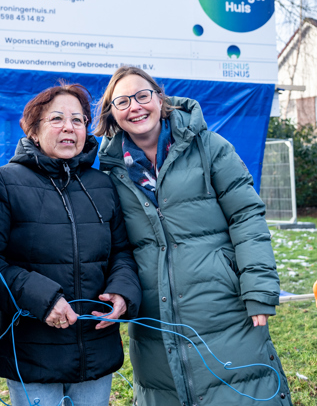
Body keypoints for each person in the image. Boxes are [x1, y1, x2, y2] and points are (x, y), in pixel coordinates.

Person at [94, 66, 292, 406]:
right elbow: (114, 244)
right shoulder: (108, 169)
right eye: (122, 101)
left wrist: (258, 287)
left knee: (242, 390)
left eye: (143, 96)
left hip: (222, 302)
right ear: (112, 113)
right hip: (154, 312)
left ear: (160, 98)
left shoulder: (210, 147)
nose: (135, 107)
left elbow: (246, 217)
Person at [0, 83, 141, 406]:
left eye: (78, 120)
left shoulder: (102, 185)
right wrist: (43, 300)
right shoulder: (4, 182)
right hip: (32, 351)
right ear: (34, 132)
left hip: (96, 348)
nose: (69, 127)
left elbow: (122, 251)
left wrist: (123, 290)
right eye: (56, 119)